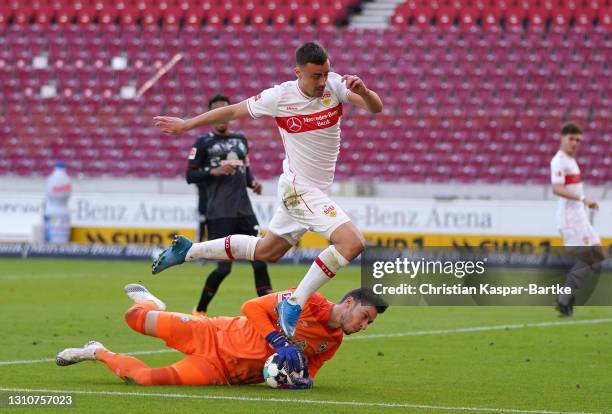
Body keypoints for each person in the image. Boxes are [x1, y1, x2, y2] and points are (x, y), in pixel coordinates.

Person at [152, 42, 383, 338]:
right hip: (300, 188)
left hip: (313, 191)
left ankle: (189, 251)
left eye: (325, 73)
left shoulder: (336, 86)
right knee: (351, 243)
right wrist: (187, 125)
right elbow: (233, 111)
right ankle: (294, 302)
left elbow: (376, 108)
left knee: (267, 251)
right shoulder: (279, 96)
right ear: (297, 72)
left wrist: (363, 91)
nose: (322, 81)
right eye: (315, 76)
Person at [56, 284, 388, 388]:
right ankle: (153, 303)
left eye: (368, 324)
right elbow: (252, 307)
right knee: (134, 317)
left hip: (221, 372)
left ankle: (96, 351)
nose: (363, 325)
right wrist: (278, 341)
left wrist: (301, 381)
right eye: (365, 317)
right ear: (349, 303)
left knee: (145, 379)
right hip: (211, 333)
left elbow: (308, 369)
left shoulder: (333, 341)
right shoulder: (306, 300)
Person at [186, 93, 271, 316]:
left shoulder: (241, 140)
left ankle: (271, 311)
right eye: (217, 111)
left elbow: (246, 169)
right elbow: (190, 175)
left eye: (225, 110)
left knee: (260, 260)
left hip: (244, 211)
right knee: (224, 268)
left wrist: (252, 182)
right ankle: (200, 309)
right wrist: (213, 171)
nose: (222, 117)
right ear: (210, 116)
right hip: (219, 213)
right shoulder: (202, 143)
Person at [550, 122, 606, 316]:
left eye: (578, 140)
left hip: (580, 217)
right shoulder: (559, 161)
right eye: (571, 139)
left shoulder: (571, 161)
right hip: (570, 218)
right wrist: (583, 199)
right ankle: (564, 299)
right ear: (562, 138)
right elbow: (556, 189)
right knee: (587, 257)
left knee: (599, 254)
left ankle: (565, 297)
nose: (575, 143)